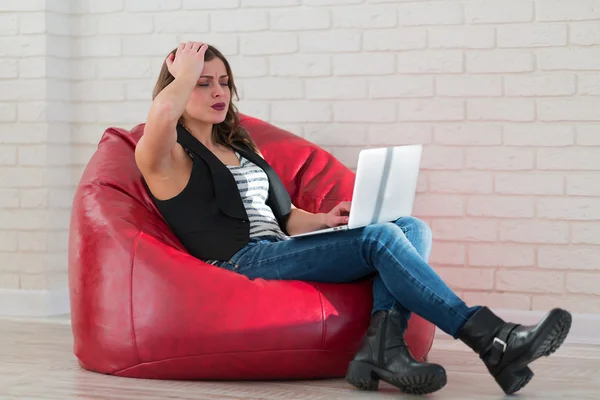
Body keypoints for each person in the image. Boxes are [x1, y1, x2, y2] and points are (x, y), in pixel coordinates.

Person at [135, 42, 572, 396]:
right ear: (177, 87)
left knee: (411, 227)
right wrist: (183, 72)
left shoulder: (242, 145)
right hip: (239, 262)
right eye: (202, 82)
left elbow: (283, 219)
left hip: (276, 249)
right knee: (381, 239)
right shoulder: (167, 157)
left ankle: (382, 348)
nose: (218, 92)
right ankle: (492, 338)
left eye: (224, 82)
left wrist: (325, 221)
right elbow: (160, 116)